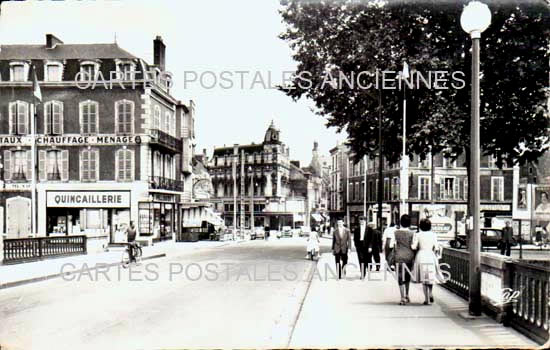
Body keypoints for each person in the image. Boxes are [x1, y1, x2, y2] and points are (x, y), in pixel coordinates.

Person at [411, 219, 446, 305]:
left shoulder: (418, 234)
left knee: (424, 278)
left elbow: (414, 247)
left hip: (421, 255)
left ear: (421, 226)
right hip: (430, 255)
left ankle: (427, 299)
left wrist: (412, 244)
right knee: (430, 277)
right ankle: (430, 293)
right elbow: (437, 247)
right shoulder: (433, 235)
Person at [390, 214, 415, 305]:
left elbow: (390, 245)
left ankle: (402, 297)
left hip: (399, 257)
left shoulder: (396, 232)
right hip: (409, 257)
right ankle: (407, 295)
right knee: (407, 277)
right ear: (409, 223)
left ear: (400, 222)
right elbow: (413, 246)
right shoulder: (412, 233)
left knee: (400, 277)